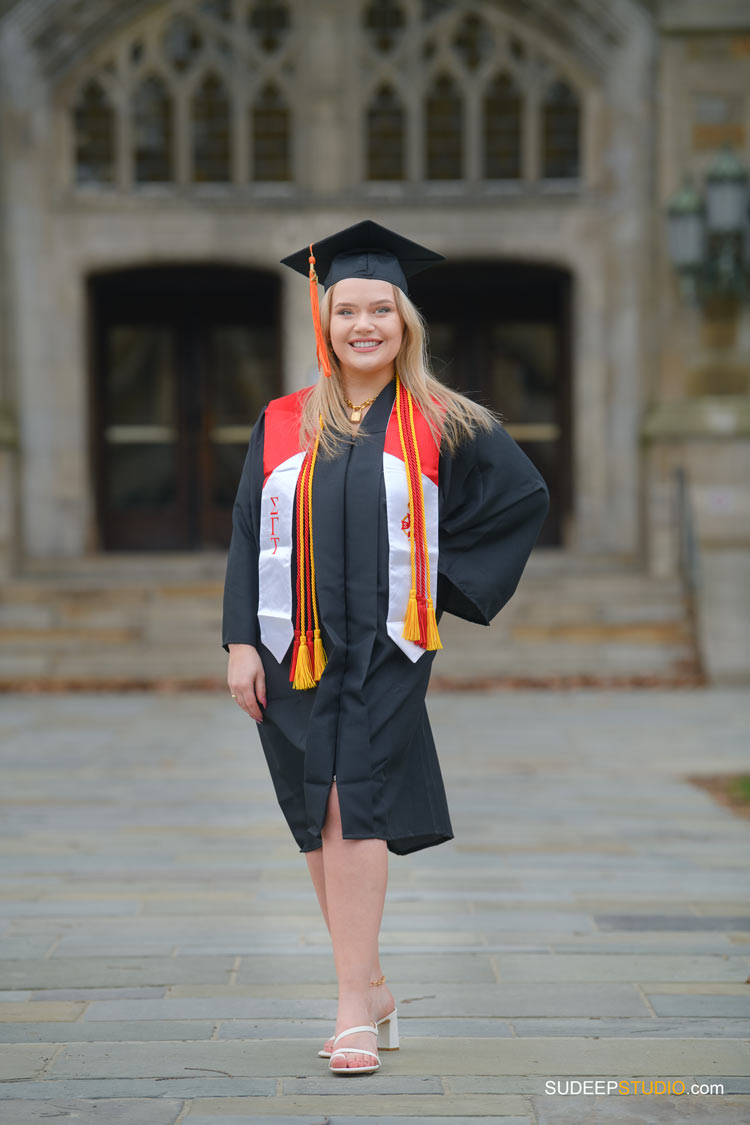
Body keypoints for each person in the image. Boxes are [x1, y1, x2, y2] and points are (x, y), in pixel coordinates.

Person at [222, 220, 549, 1075]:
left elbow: (521, 498)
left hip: (389, 648)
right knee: (314, 816)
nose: (364, 325)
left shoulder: (442, 419)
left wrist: (435, 585)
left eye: (381, 309)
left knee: (349, 800)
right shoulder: (285, 420)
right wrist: (238, 642)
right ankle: (369, 987)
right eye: (346, 311)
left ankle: (348, 1009)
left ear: (405, 323)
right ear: (323, 323)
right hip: (291, 646)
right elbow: (246, 529)